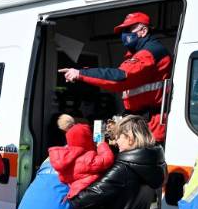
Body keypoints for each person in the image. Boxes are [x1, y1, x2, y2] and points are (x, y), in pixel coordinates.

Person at [59, 12, 172, 142]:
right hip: (142, 124)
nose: (124, 35)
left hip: (151, 127)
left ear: (143, 31)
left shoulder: (149, 52)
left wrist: (81, 74)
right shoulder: (139, 53)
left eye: (129, 29)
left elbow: (119, 78)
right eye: (123, 31)